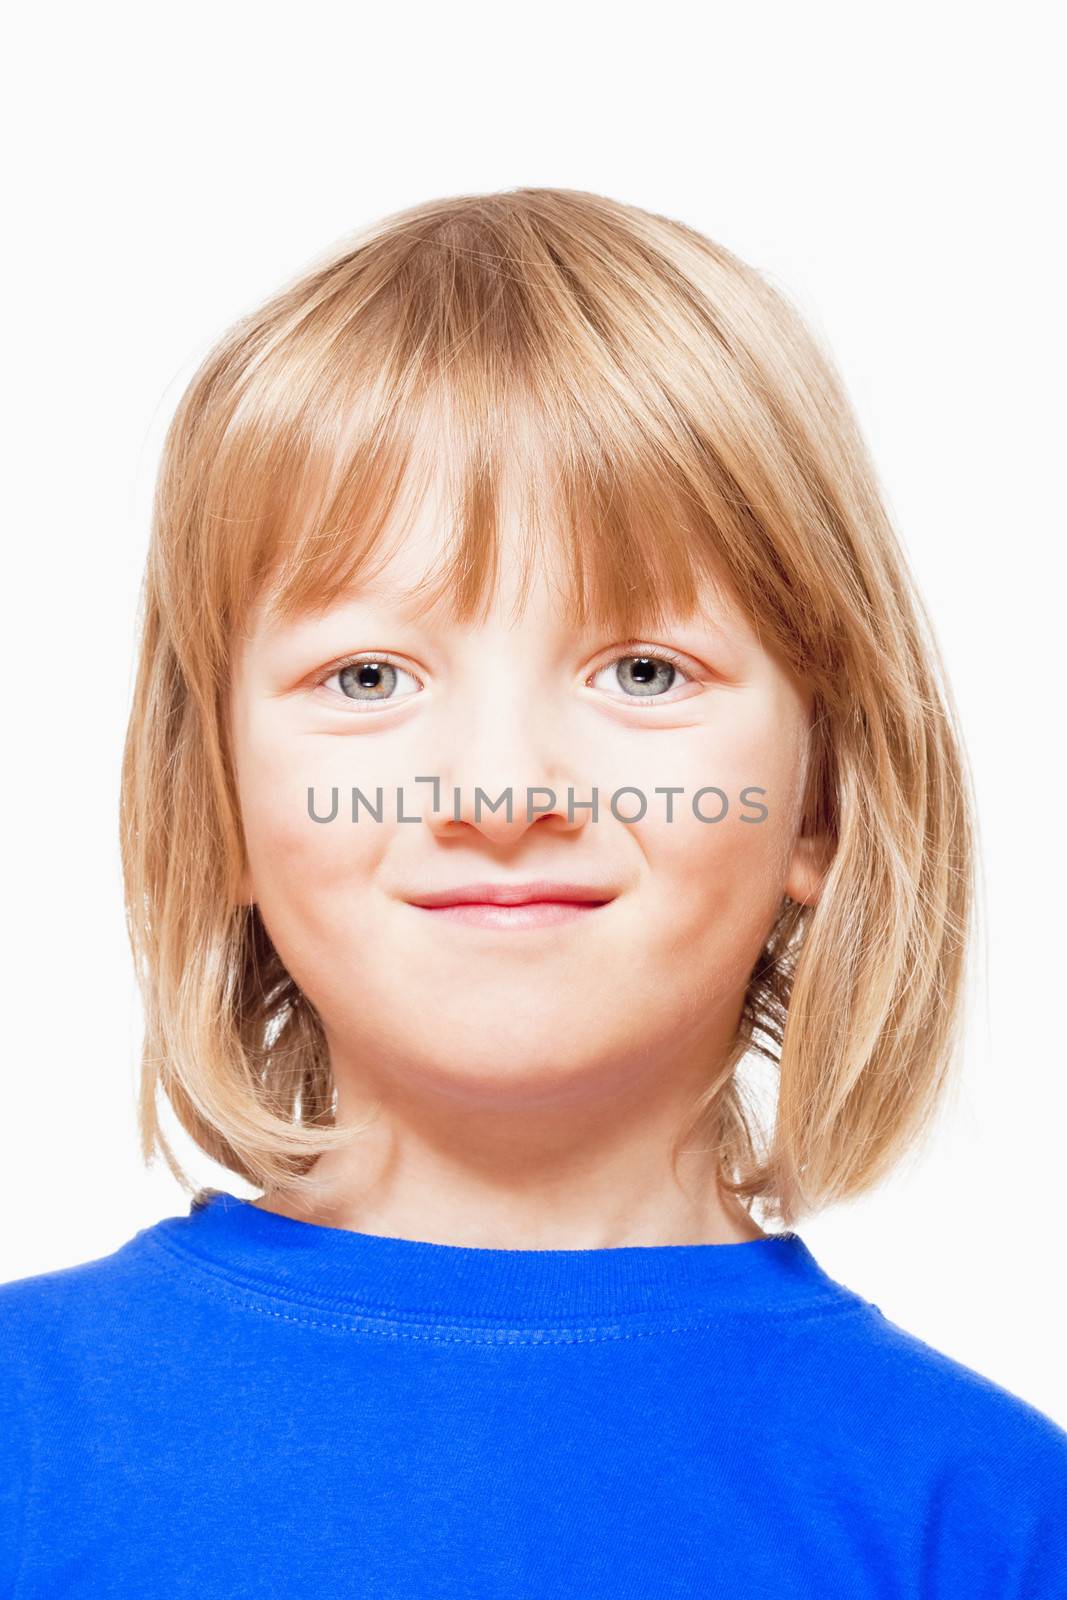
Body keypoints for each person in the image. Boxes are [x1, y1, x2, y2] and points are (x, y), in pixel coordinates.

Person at [2, 187, 1064, 1597]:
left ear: (820, 799)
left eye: (643, 673)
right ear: (224, 810)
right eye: (369, 678)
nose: (500, 794)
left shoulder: (989, 1519)